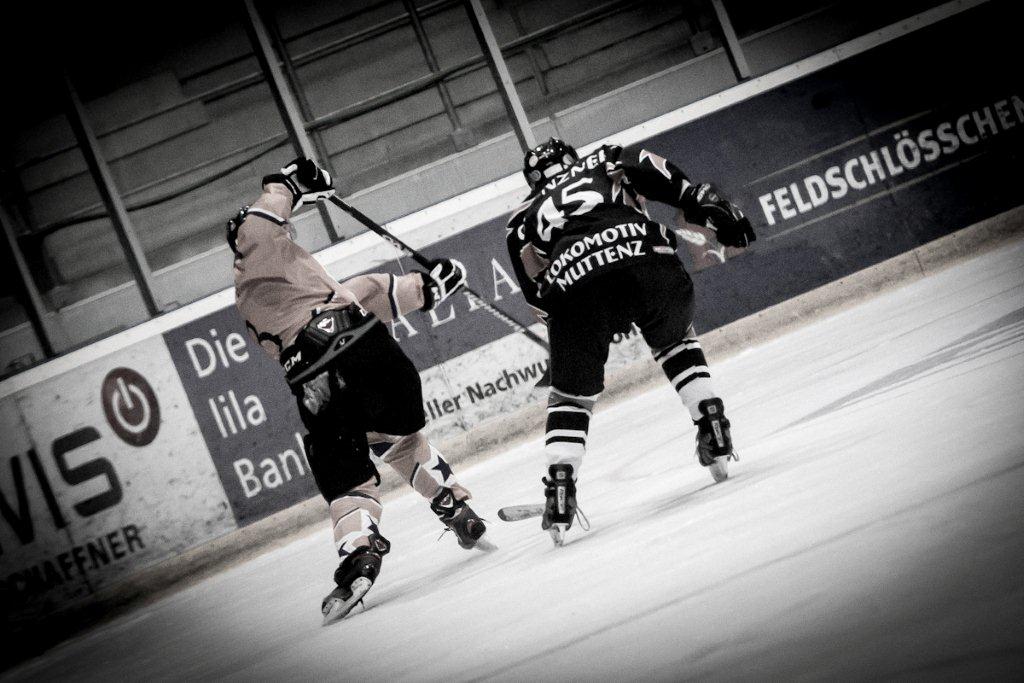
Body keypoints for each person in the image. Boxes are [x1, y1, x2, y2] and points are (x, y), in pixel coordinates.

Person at [229, 157, 494, 623]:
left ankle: (360, 553)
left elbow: (351, 296)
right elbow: (359, 293)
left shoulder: (274, 296)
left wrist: (428, 288)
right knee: (398, 438)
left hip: (314, 377)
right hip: (369, 352)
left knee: (348, 478)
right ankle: (451, 501)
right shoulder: (256, 253)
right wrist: (285, 183)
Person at [505, 138, 756, 545]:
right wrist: (696, 199)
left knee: (571, 398)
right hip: (644, 255)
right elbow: (653, 171)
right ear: (572, 158)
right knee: (675, 340)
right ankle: (712, 422)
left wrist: (577, 331)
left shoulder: (521, 217)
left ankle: (561, 487)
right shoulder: (603, 157)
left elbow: (539, 297)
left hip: (573, 282)